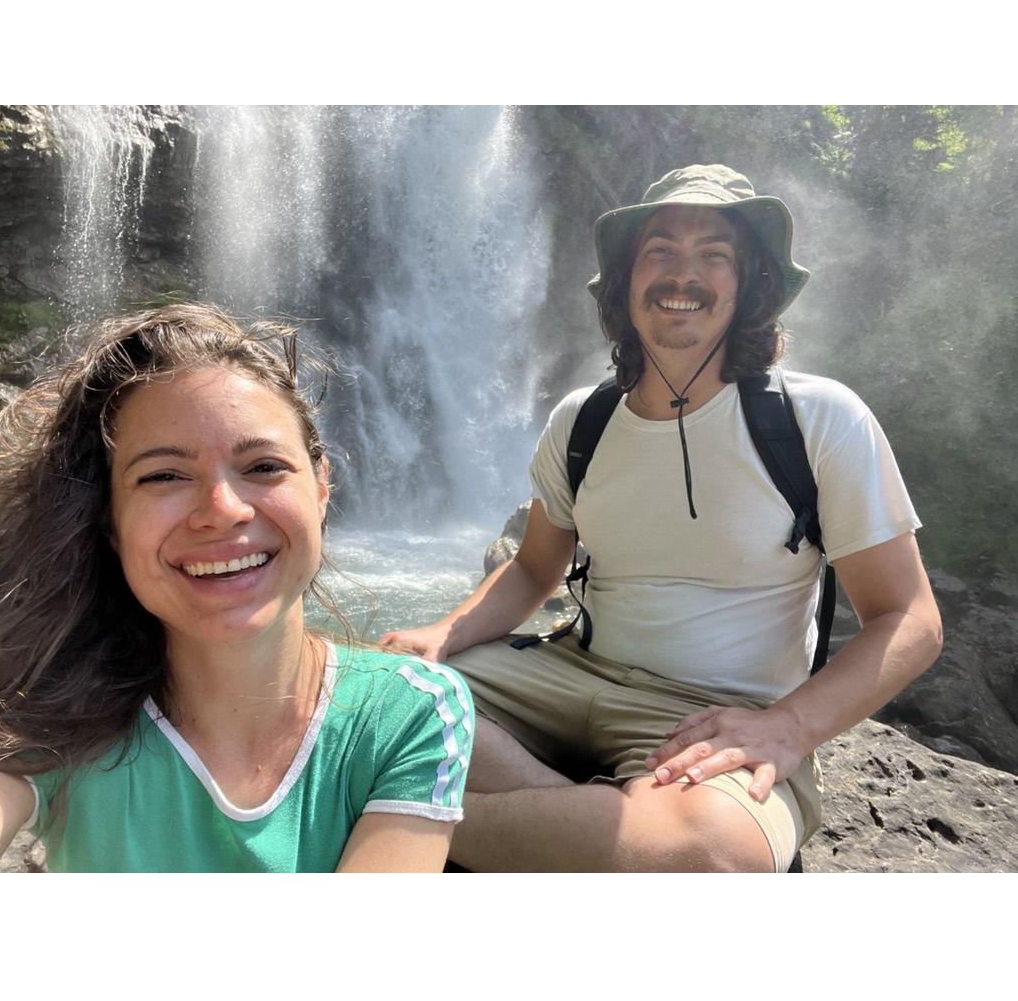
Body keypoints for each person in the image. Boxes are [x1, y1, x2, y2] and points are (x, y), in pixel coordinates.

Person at [380, 163, 943, 873]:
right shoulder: (580, 420)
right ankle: (601, 827)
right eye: (661, 252)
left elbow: (911, 620)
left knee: (706, 855)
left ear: (749, 288)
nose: (685, 274)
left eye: (715, 255)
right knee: (359, 695)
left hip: (714, 713)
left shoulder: (816, 419)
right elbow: (532, 569)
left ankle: (399, 822)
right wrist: (443, 634)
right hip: (561, 678)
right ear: (625, 284)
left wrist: (788, 727)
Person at [0, 303, 472, 873]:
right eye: (163, 476)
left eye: (264, 466)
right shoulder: (41, 710)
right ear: (109, 521)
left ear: (321, 488)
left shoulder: (412, 712)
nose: (221, 511)